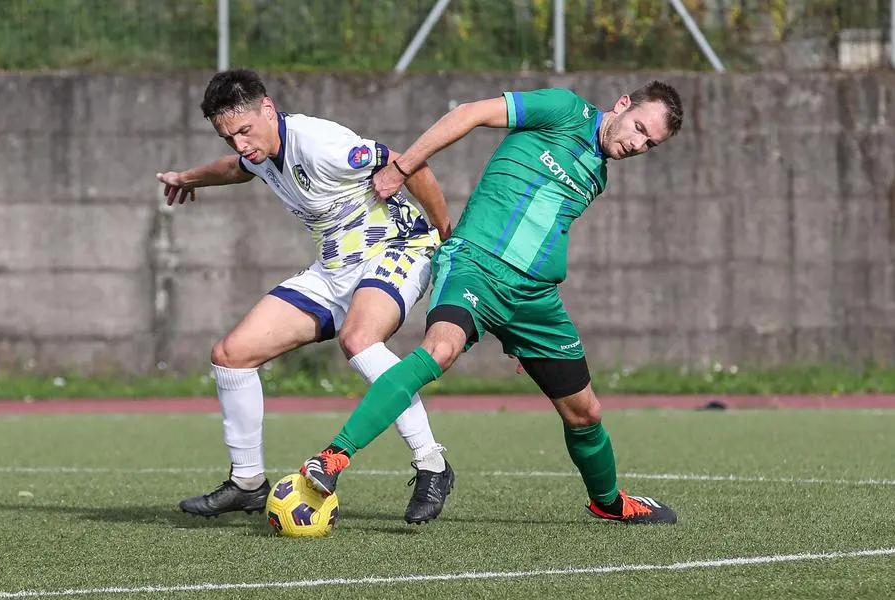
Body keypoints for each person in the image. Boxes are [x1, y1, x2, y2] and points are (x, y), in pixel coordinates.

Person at [300, 81, 684, 525]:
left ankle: (609, 502)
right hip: (475, 266)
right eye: (637, 128)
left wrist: (517, 334)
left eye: (649, 144)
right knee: (438, 352)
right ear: (621, 105)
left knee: (586, 412)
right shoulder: (563, 109)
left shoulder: (599, 173)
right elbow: (469, 112)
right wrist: (404, 166)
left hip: (535, 300)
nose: (636, 144)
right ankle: (333, 457)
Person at [157, 69, 455, 524]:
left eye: (243, 130)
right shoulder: (256, 151)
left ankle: (432, 462)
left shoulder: (319, 143)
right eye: (227, 136)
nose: (239, 143)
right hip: (334, 267)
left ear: (268, 109)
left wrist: (446, 237)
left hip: (398, 248)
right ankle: (247, 483)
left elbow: (409, 165)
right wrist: (188, 177)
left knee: (359, 339)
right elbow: (238, 169)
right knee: (231, 354)